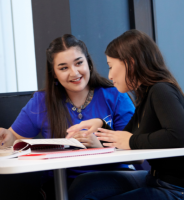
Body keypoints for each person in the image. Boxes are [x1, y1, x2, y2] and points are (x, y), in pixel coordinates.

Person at [0, 34, 135, 200]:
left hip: (113, 176)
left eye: (79, 63)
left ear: (88, 63)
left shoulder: (115, 95)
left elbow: (135, 148)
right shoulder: (41, 101)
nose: (74, 73)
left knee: (83, 191)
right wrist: (4, 136)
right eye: (63, 68)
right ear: (54, 74)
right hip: (61, 182)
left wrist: (100, 148)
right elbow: (14, 139)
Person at [67, 29, 184, 200]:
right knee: (84, 185)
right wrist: (101, 124)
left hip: (175, 188)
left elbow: (180, 135)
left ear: (131, 63)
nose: (109, 75)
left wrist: (131, 141)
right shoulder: (146, 95)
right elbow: (125, 137)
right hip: (154, 179)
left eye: (111, 66)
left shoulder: (161, 90)